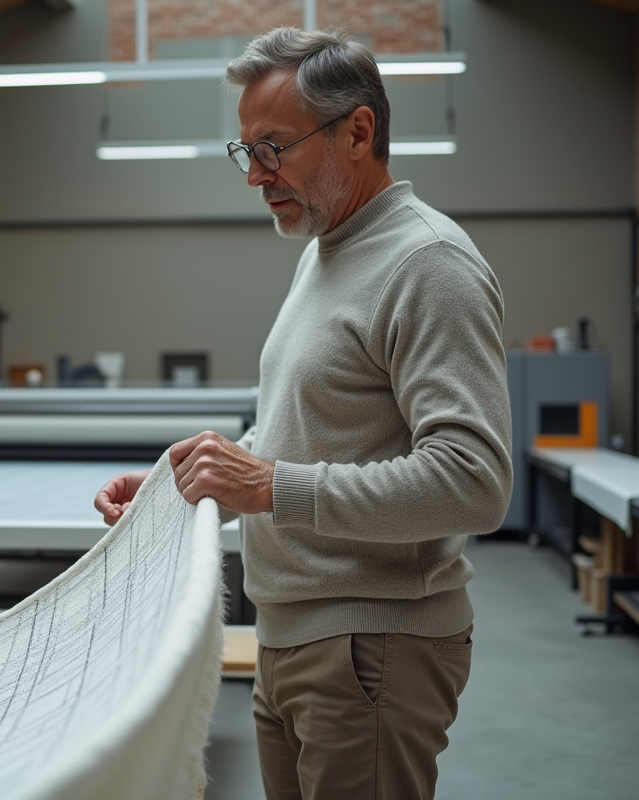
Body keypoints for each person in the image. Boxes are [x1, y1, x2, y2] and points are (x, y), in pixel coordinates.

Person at [94, 27, 512, 800]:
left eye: (274, 147)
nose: (254, 175)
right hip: (290, 637)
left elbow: (474, 481)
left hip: (371, 645)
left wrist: (268, 486)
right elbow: (298, 437)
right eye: (245, 150)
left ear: (358, 130)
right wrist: (187, 488)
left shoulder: (427, 264)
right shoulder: (326, 252)